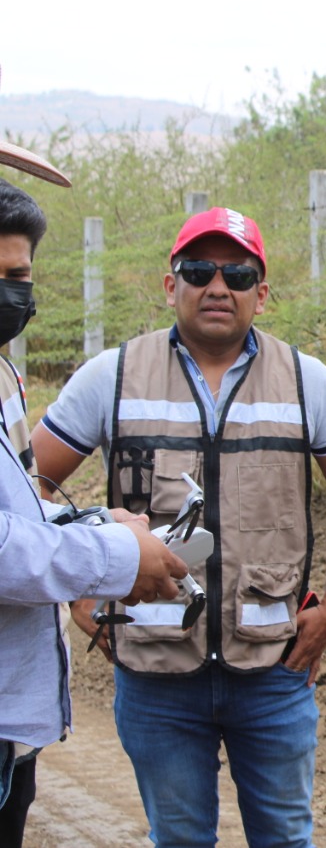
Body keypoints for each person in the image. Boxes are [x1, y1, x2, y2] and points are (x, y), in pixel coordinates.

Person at [31, 206, 326, 848]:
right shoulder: (112, 377)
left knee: (285, 839)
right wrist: (78, 591)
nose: (217, 286)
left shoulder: (308, 383)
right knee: (180, 840)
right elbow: (31, 489)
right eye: (199, 271)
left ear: (261, 293)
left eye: (238, 274)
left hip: (272, 670)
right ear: (172, 285)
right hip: (154, 675)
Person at [0, 154, 189, 847]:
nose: (11, 293)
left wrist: (93, 523)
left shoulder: (2, 377)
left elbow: (20, 510)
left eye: (18, 277)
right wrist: (113, 556)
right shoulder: (114, 374)